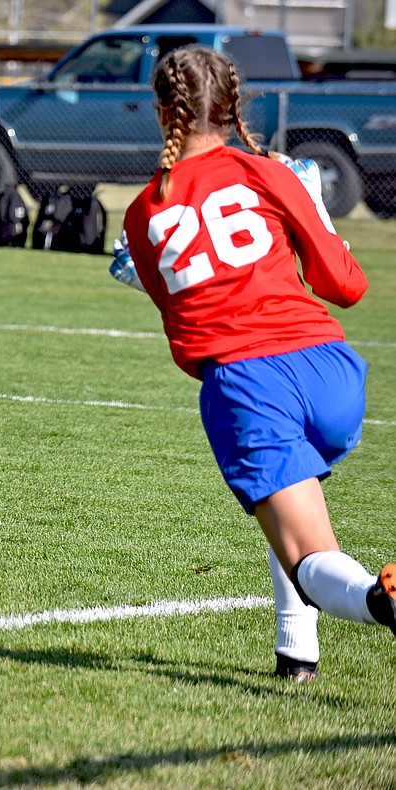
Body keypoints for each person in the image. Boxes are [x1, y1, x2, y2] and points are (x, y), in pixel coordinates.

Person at [117, 44, 393, 682]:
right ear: (234, 107)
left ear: (164, 115)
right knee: (296, 490)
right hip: (331, 370)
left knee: (309, 556)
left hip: (249, 378)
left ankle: (383, 600)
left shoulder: (142, 212)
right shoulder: (272, 173)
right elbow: (346, 286)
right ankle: (297, 654)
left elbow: (185, 327)